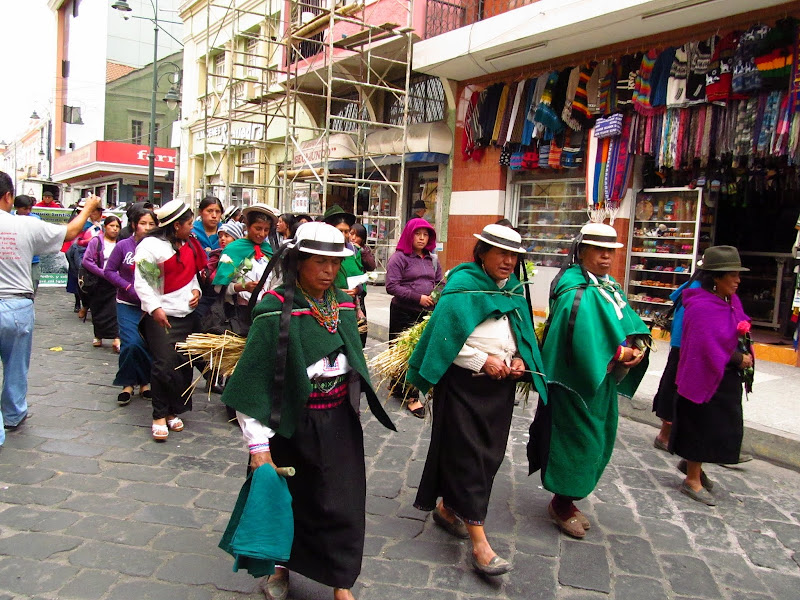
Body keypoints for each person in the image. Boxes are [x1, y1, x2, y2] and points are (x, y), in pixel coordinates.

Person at [221, 221, 395, 600]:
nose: (329, 271)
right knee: (294, 500)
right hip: (291, 425)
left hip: (338, 422)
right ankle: (281, 567)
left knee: (344, 502)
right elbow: (254, 385)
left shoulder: (343, 305)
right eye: (319, 262)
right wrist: (258, 448)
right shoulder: (275, 311)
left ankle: (341, 581)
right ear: (298, 261)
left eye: (335, 263)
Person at [406, 223, 548, 576]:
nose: (507, 261)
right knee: (468, 456)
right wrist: (481, 360)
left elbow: (520, 335)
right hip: (463, 386)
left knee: (489, 456)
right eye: (501, 253)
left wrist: (518, 360)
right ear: (481, 253)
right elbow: (443, 339)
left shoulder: (515, 291)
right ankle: (480, 544)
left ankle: (448, 510)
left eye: (513, 255)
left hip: (498, 390)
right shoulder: (462, 285)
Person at [527, 222, 650, 539]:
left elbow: (625, 321)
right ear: (582, 252)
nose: (607, 256)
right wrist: (617, 355)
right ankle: (561, 502)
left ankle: (567, 498)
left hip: (600, 384)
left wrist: (637, 346)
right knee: (576, 440)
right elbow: (577, 340)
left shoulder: (607, 286)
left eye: (611, 250)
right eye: (600, 250)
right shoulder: (575, 290)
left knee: (598, 438)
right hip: (575, 385)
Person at [0, 171, 100, 448]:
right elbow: (70, 231)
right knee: (16, 365)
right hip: (16, 303)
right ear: (8, 196)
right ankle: (12, 413)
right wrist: (89, 208)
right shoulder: (25, 224)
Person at [671, 246, 753, 506]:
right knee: (701, 425)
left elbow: (736, 328)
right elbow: (706, 343)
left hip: (725, 379)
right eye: (733, 275)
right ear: (716, 278)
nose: (738, 280)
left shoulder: (730, 302)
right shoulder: (701, 305)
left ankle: (692, 465)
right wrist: (739, 358)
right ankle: (691, 479)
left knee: (721, 426)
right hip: (703, 377)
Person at [134, 200, 207, 442]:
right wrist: (155, 308)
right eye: (188, 223)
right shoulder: (150, 247)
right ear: (176, 226)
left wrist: (195, 292)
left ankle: (174, 410)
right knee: (163, 366)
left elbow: (192, 277)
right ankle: (159, 414)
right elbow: (145, 282)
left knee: (182, 366)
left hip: (186, 315)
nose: (192, 227)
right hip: (162, 317)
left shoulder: (188, 245)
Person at [385, 217, 442, 417]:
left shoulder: (432, 259)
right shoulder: (399, 258)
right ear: (410, 235)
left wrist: (436, 296)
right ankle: (411, 396)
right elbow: (391, 286)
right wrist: (418, 298)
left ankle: (399, 386)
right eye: (418, 234)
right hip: (403, 312)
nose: (422, 238)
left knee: (418, 352)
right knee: (404, 353)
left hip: (425, 314)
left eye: (426, 234)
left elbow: (439, 281)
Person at [104, 207, 157, 406]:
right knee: (131, 342)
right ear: (134, 225)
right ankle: (127, 383)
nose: (147, 228)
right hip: (127, 303)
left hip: (150, 305)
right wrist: (126, 286)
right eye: (143, 223)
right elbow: (109, 271)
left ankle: (145, 382)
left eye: (151, 224)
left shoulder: (159, 247)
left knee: (146, 343)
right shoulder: (123, 246)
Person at [651, 273, 702, 451]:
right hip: (684, 344)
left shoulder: (698, 286)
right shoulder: (697, 289)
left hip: (687, 344)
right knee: (675, 387)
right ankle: (665, 435)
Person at [213, 203, 279, 324]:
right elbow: (219, 288)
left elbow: (277, 281)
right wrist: (243, 287)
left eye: (266, 230)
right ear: (247, 226)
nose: (262, 234)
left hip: (265, 313)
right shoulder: (233, 250)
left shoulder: (270, 250)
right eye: (258, 228)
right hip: (239, 314)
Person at [82, 215, 122, 351]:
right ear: (105, 227)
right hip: (98, 282)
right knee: (99, 309)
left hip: (115, 282)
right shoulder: (96, 241)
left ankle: (116, 338)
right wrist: (102, 272)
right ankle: (98, 335)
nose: (114, 229)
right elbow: (87, 260)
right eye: (112, 226)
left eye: (117, 226)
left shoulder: (121, 243)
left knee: (114, 309)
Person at [13, 195, 42, 295]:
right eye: (25, 209)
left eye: (30, 208)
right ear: (17, 207)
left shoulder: (35, 219)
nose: (28, 211)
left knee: (33, 283)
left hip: (33, 260)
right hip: (15, 260)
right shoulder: (10, 218)